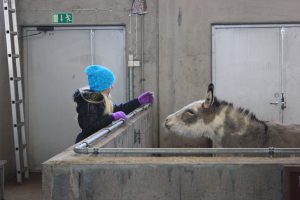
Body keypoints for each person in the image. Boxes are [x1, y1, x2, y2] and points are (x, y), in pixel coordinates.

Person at [73, 65, 154, 143]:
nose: (112, 87)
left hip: (94, 141)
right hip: (87, 144)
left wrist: (137, 101)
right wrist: (112, 117)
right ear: (102, 86)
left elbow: (118, 109)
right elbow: (90, 128)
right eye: (110, 84)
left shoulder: (99, 100)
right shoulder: (88, 103)